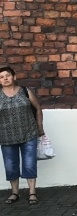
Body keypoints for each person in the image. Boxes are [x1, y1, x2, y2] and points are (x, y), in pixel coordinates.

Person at [0, 66, 44, 205]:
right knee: (10, 165)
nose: (5, 79)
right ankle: (15, 193)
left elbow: (38, 108)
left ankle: (32, 192)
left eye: (7, 75)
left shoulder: (25, 91)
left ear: (14, 77)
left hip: (28, 133)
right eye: (1, 77)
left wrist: (40, 127)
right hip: (6, 137)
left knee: (29, 163)